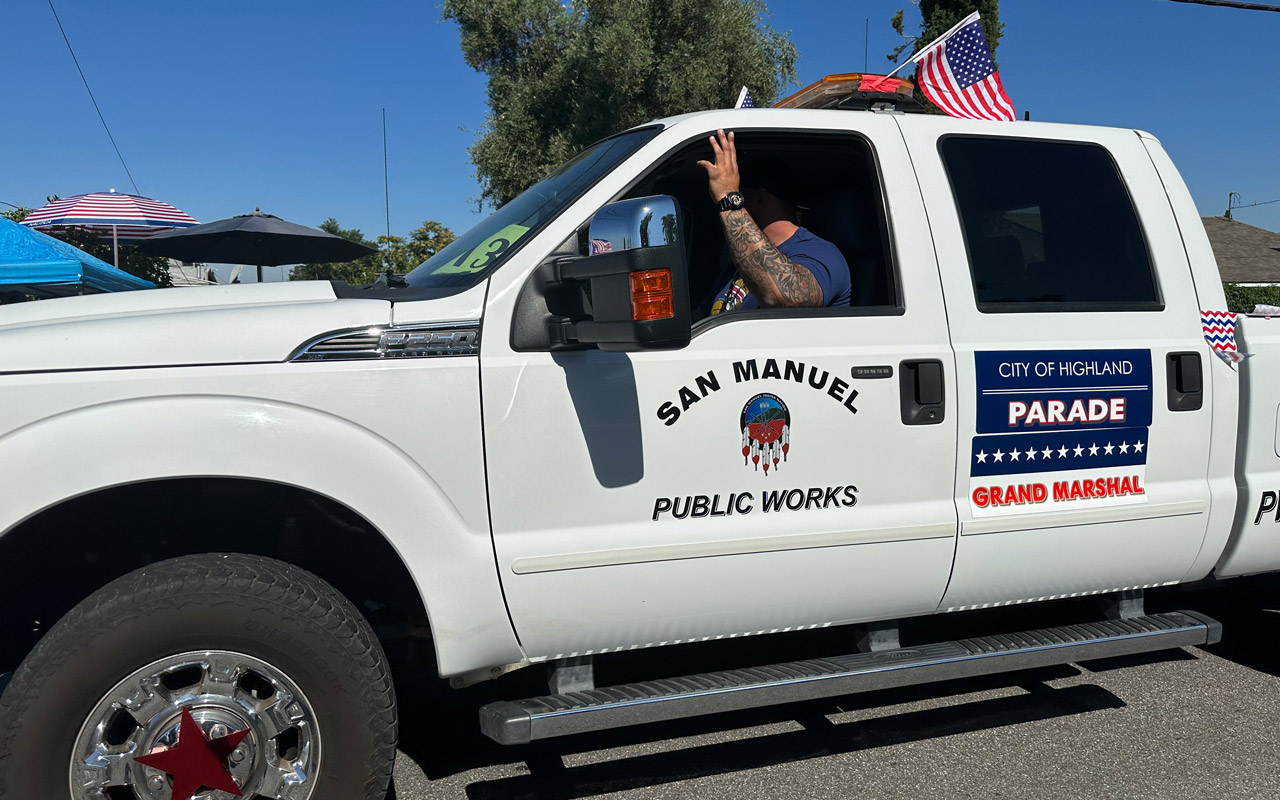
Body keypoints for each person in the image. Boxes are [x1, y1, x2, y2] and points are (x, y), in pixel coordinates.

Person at [697, 129, 851, 315]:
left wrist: (728, 199)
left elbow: (781, 297)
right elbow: (700, 319)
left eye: (741, 194)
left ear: (761, 198)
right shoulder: (738, 264)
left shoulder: (822, 254)